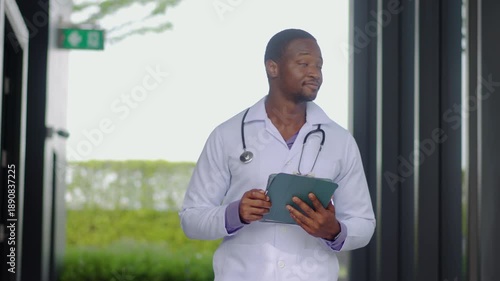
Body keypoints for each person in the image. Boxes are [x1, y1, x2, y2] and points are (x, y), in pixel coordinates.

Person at [179, 28, 375, 281]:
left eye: (319, 66)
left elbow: (364, 224)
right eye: (303, 63)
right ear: (273, 68)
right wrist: (234, 213)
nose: (315, 73)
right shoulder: (227, 135)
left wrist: (334, 230)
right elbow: (191, 219)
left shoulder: (340, 141)